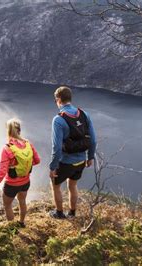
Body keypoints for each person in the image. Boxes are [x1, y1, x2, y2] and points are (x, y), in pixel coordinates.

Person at [49, 86, 97, 219]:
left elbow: (57, 147)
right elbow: (93, 140)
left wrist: (53, 167)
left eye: (55, 100)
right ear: (70, 98)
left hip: (65, 162)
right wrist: (90, 157)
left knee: (55, 184)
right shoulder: (84, 114)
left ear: (58, 99)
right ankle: (72, 213)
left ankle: (59, 213)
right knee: (73, 185)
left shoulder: (58, 120)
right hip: (81, 161)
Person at [0, 118, 40, 227]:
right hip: (25, 181)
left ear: (9, 131)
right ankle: (21, 222)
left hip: (11, 184)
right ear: (19, 130)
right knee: (22, 201)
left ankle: (12, 228)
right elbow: (37, 161)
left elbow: (3, 169)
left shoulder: (7, 148)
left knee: (7, 205)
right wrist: (24, 165)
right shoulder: (28, 144)